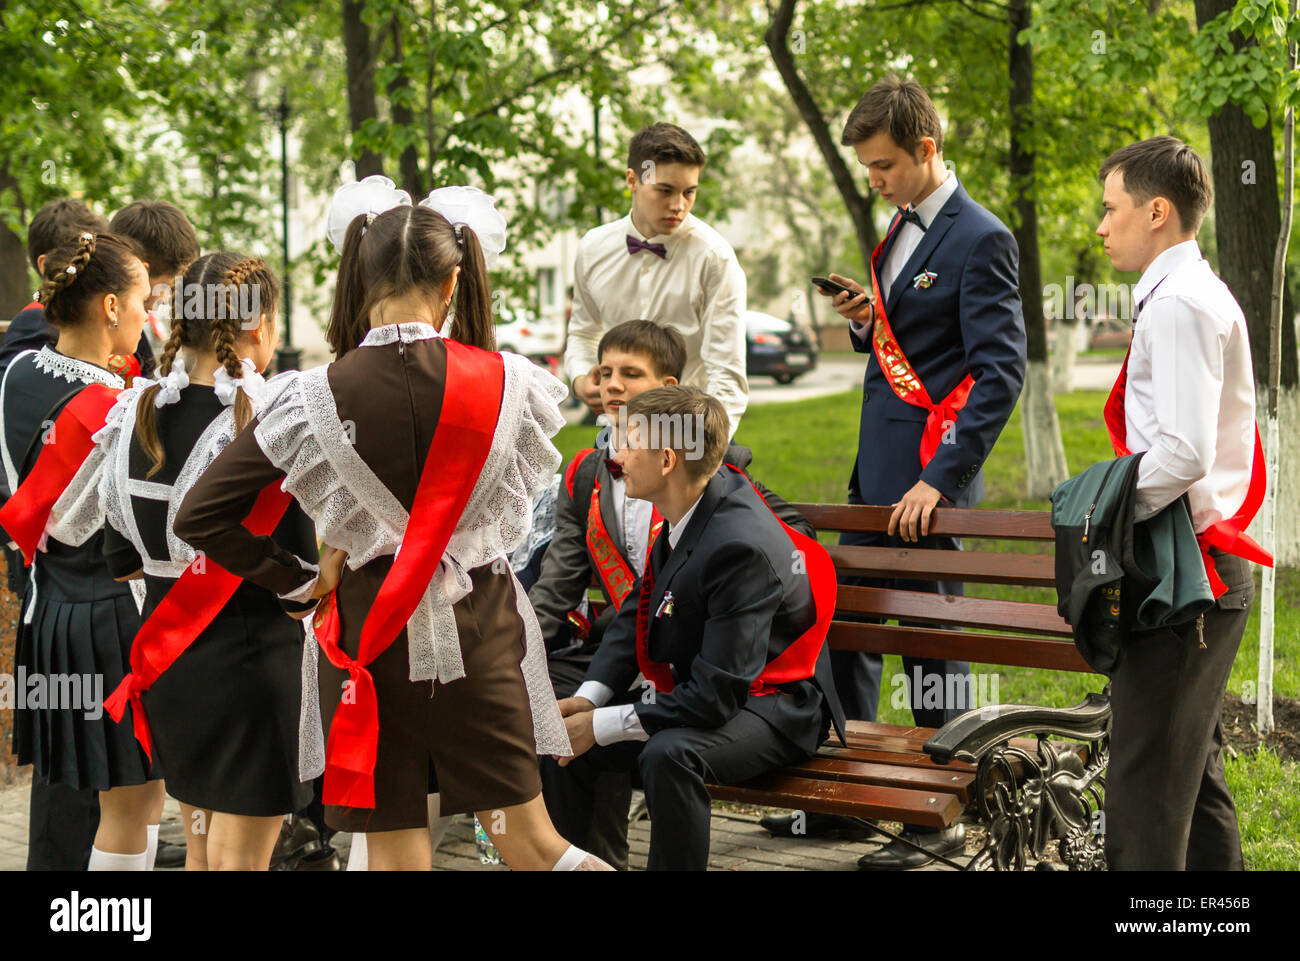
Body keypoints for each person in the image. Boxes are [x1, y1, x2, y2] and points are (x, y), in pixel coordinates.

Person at [174, 181, 611, 871]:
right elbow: (525, 526)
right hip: (483, 632)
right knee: (533, 845)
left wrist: (298, 581)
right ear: (453, 281)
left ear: (357, 273)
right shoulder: (512, 383)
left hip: (367, 646)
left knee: (396, 854)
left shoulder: (309, 395)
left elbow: (198, 514)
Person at [763, 77, 1026, 869]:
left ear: (927, 149)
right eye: (868, 168)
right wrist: (868, 322)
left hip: (924, 488)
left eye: (883, 166)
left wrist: (939, 482)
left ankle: (936, 814)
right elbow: (914, 344)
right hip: (874, 473)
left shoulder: (981, 237)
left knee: (932, 648)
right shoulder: (904, 229)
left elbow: (998, 372)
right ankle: (854, 800)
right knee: (854, 636)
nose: (873, 180)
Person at [531, 320, 813, 868]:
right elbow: (638, 609)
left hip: (770, 703)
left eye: (629, 445)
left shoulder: (737, 546)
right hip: (704, 683)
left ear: (665, 460)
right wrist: (588, 702)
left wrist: (604, 723)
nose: (617, 456)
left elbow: (713, 698)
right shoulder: (684, 507)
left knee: (670, 753)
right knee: (564, 739)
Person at [96, 252, 318, 870]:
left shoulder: (130, 413)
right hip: (256, 666)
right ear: (260, 326)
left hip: (171, 665)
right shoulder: (266, 421)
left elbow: (122, 558)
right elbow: (298, 573)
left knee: (202, 854)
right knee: (240, 862)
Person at [1094, 136, 1263, 870]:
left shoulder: (1179, 304)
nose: (1101, 226)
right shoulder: (1187, 295)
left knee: (1145, 785)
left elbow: (1186, 452)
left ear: (1156, 211)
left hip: (1185, 576)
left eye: (1111, 208)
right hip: (1200, 564)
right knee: (1191, 778)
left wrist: (1108, 510)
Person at [0, 231, 160, 870]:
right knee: (134, 806)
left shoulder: (13, 373)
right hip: (113, 622)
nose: (150, 316)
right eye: (144, 300)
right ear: (112, 308)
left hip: (47, 618)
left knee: (69, 799)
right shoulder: (123, 411)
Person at [562, 123, 749, 435]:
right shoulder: (592, 248)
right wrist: (581, 379)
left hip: (686, 434)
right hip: (614, 434)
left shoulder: (715, 256)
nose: (679, 205)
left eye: (689, 193)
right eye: (665, 191)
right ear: (632, 180)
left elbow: (726, 372)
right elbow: (583, 333)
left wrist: (701, 451)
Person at [1, 199, 199, 381]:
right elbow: (15, 393)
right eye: (167, 286)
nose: (166, 299)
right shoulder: (43, 319)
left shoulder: (131, 324)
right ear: (139, 268)